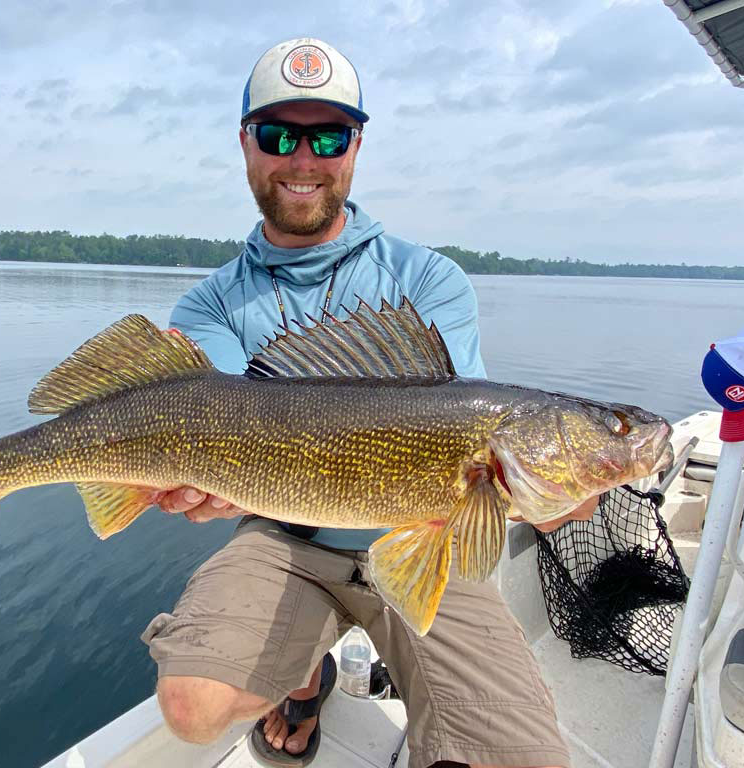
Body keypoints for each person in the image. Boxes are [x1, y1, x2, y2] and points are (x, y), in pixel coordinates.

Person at [141, 37, 594, 768]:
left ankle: (374, 684)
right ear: (247, 145)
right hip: (289, 537)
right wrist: (199, 482)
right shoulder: (211, 306)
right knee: (193, 707)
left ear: (356, 144)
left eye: (328, 135)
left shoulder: (430, 279)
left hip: (432, 541)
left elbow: (463, 438)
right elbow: (218, 425)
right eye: (279, 134)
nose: (304, 158)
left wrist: (544, 491)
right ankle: (304, 673)